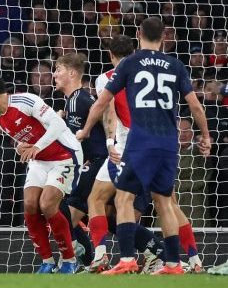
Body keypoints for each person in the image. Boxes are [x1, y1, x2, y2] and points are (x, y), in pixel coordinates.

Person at [76, 17, 211, 275]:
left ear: (139, 34)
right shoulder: (175, 65)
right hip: (169, 144)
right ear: (164, 37)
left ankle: (126, 259)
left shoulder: (130, 64)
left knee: (123, 198)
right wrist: (205, 136)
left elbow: (103, 104)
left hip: (139, 142)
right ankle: (175, 263)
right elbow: (194, 105)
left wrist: (84, 131)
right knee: (165, 202)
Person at [0, 73, 83, 274]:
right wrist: (20, 148)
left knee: (47, 204)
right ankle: (47, 261)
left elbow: (58, 125)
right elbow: (25, 139)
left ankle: (70, 259)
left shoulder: (26, 100)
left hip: (64, 155)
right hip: (40, 161)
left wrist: (36, 147)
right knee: (30, 204)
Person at [87, 35, 167, 274]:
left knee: (101, 200)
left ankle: (107, 256)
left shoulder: (106, 78)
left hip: (124, 145)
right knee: (162, 204)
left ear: (110, 55)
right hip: (156, 143)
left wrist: (110, 141)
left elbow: (108, 113)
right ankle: (173, 258)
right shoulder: (150, 74)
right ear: (133, 52)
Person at [53, 53, 107, 268]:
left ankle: (75, 259)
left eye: (58, 69)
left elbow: (74, 141)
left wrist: (57, 125)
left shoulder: (76, 100)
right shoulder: (75, 100)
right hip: (95, 160)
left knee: (62, 212)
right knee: (66, 211)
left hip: (95, 161)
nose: (54, 74)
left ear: (72, 73)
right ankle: (87, 261)